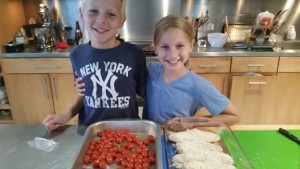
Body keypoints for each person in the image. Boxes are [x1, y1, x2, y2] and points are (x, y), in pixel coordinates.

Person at [42, 0, 146, 130]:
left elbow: (148, 94)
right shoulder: (77, 54)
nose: (101, 20)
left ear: (122, 20)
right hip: (90, 130)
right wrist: (66, 115)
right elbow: (83, 94)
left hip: (127, 132)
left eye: (111, 14)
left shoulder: (134, 54)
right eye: (93, 11)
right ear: (81, 13)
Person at [142, 15, 240, 131]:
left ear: (191, 45)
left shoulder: (198, 85)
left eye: (180, 46)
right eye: (165, 46)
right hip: (149, 141)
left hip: (175, 143)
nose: (172, 54)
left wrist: (193, 122)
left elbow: (234, 116)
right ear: (156, 48)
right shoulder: (151, 70)